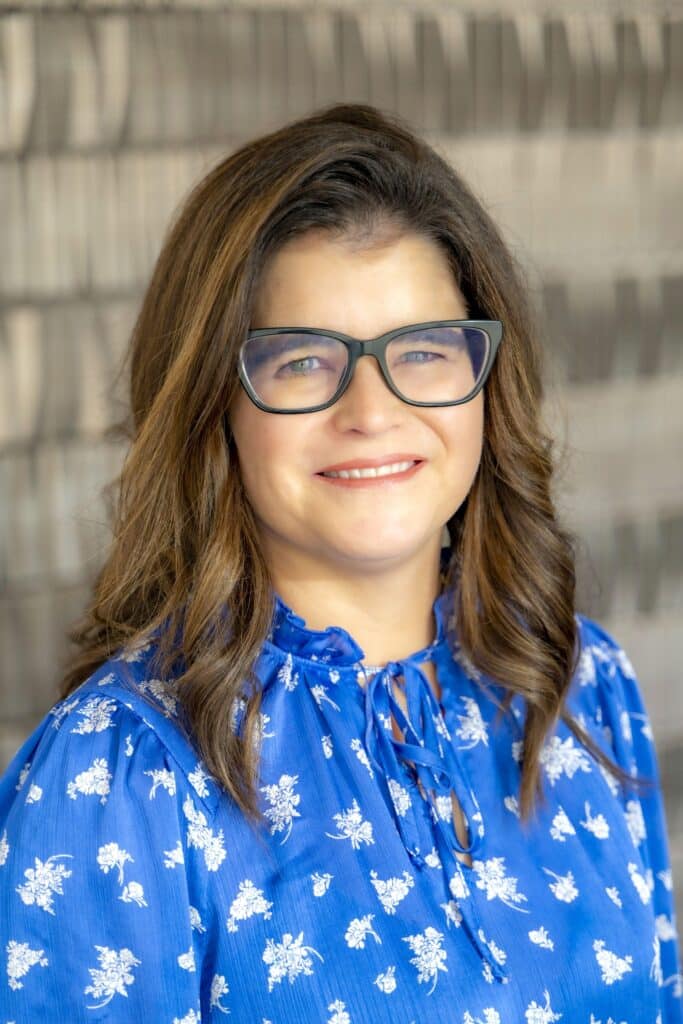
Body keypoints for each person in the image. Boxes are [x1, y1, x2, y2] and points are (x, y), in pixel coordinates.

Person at [0, 102, 680, 1023]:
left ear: (484, 381)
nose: (371, 410)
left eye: (425, 350)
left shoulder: (578, 681)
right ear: (214, 407)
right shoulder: (121, 771)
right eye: (302, 362)